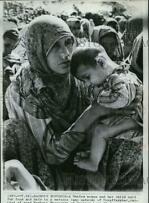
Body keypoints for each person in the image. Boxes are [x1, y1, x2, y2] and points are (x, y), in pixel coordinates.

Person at [4, 15, 143, 191]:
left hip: (88, 152)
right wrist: (93, 113)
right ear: (37, 48)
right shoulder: (26, 89)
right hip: (46, 164)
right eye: (54, 46)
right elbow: (53, 155)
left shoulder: (78, 73)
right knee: (11, 130)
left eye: (69, 42)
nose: (66, 54)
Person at [70, 45, 143, 172]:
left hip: (136, 119)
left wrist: (99, 98)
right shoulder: (117, 74)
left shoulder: (120, 79)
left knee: (100, 131)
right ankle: (95, 152)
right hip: (132, 116)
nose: (87, 83)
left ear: (101, 62)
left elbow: (120, 99)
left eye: (87, 77)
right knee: (97, 128)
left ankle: (93, 163)